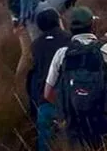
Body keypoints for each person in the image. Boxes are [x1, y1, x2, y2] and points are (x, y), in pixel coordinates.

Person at [44, 7, 107, 149]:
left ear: (70, 28)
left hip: (74, 125)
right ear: (93, 25)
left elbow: (47, 94)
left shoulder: (62, 54)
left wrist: (68, 106)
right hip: (106, 120)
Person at [26, 9, 71, 151]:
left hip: (44, 99)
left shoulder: (35, 45)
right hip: (66, 99)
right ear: (58, 21)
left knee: (45, 139)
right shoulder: (69, 39)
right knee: (68, 138)